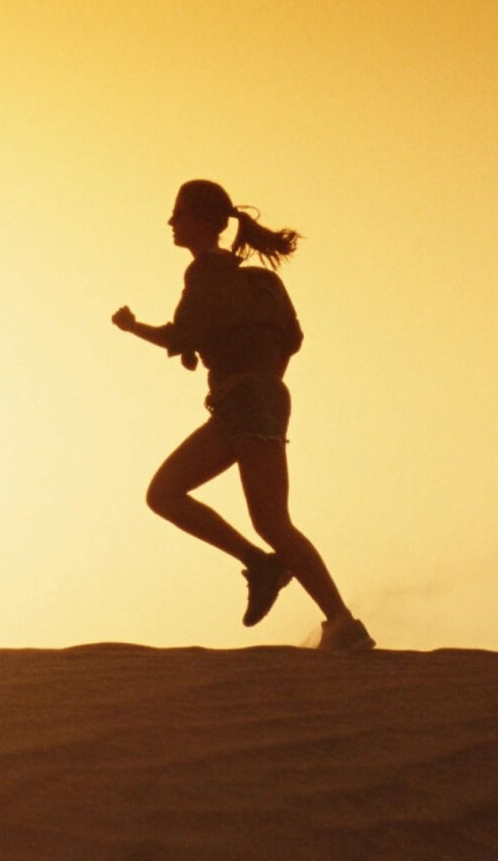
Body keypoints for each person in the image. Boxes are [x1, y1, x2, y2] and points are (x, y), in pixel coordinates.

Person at [112, 179, 374, 651]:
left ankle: (335, 617)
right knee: (184, 497)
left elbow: (179, 337)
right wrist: (255, 376)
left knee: (257, 517)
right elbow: (288, 340)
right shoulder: (262, 281)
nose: (172, 222)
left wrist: (132, 328)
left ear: (206, 222)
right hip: (261, 398)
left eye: (180, 213)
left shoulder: (205, 274)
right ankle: (273, 572)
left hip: (245, 401)